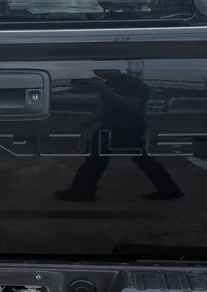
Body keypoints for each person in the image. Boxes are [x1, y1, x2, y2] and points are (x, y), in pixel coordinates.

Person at [55, 70, 183, 201]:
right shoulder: (111, 83)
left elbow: (132, 105)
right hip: (111, 127)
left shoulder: (133, 83)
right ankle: (82, 191)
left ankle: (82, 191)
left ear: (114, 67)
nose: (97, 71)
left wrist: (103, 89)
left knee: (137, 159)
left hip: (128, 128)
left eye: (100, 69)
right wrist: (86, 123)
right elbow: (104, 107)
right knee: (96, 159)